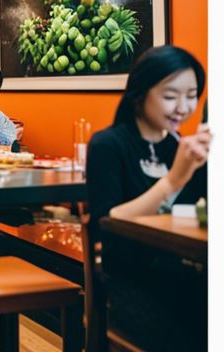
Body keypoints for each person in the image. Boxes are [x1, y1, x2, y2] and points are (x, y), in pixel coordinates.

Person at [86, 45, 211, 236]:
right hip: (131, 262)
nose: (183, 108)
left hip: (184, 258)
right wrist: (171, 182)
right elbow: (104, 223)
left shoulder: (186, 150)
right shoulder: (107, 145)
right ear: (140, 94)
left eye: (192, 96)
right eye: (170, 96)